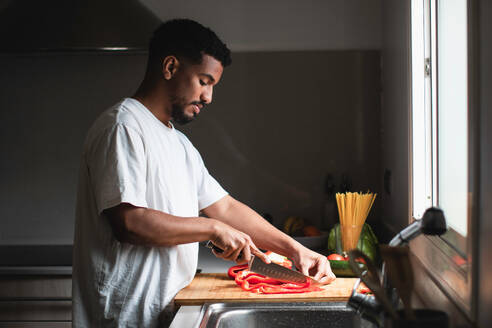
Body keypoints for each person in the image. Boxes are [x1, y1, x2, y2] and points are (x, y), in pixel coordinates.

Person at [72, 18, 335, 328]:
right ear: (170, 67)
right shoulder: (124, 127)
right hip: (124, 317)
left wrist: (295, 250)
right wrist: (211, 229)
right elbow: (130, 223)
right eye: (204, 81)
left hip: (166, 310)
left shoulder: (178, 143)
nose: (208, 98)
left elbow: (223, 207)